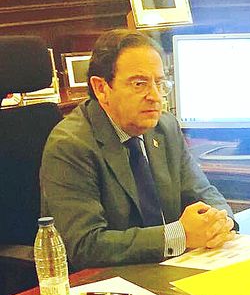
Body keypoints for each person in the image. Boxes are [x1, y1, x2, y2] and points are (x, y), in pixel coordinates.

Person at [40, 29, 236, 270]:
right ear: (102, 89)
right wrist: (180, 235)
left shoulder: (165, 126)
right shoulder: (71, 145)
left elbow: (202, 192)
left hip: (174, 267)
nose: (155, 96)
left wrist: (221, 221)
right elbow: (85, 245)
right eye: (139, 84)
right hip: (110, 284)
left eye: (160, 83)